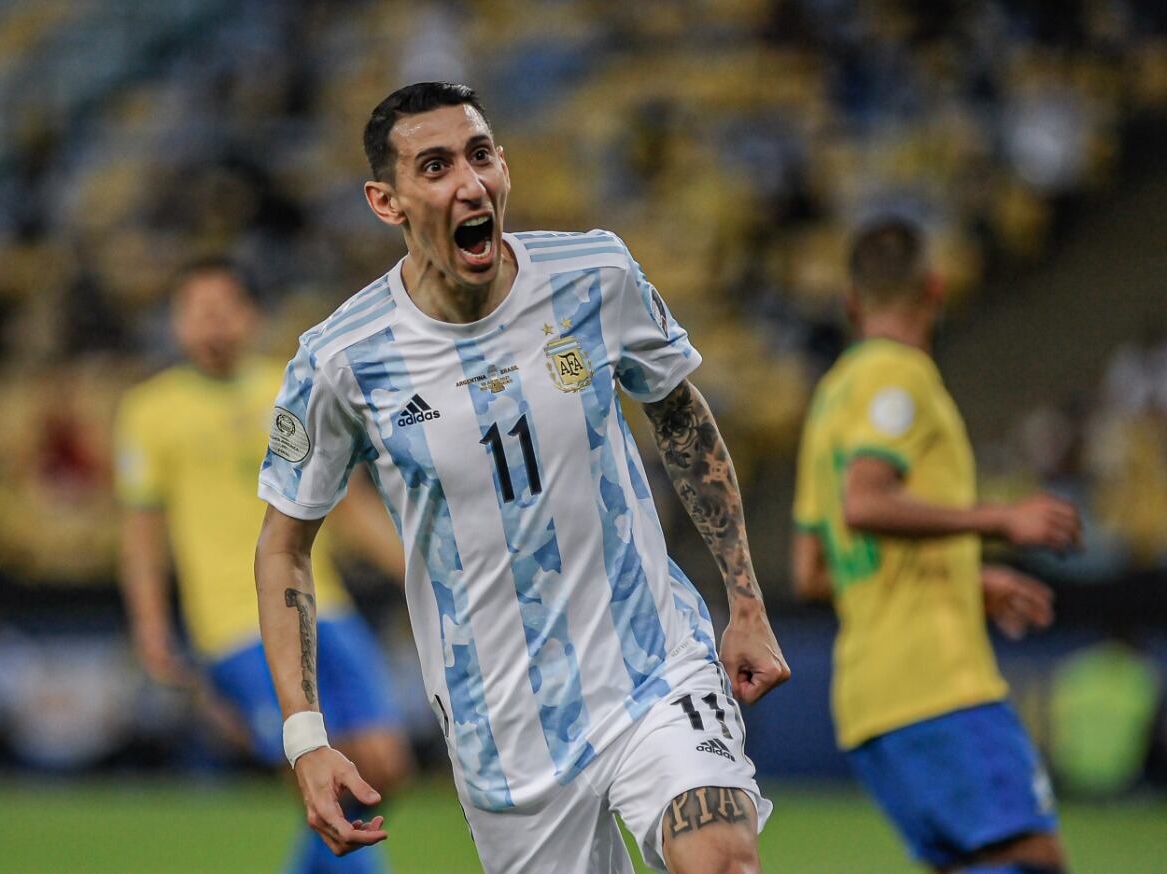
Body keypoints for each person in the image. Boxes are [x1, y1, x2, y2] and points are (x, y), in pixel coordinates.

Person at [254, 82, 790, 874]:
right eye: (435, 167)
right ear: (386, 201)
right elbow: (283, 549)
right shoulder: (341, 361)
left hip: (653, 665)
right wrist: (307, 738)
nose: (469, 183)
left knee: (722, 857)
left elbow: (681, 421)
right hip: (502, 729)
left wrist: (745, 600)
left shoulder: (594, 277)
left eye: (480, 155)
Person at [791, 218, 1083, 874]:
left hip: (867, 702)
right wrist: (999, 520)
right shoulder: (901, 379)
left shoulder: (829, 402)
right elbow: (865, 501)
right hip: (935, 682)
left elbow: (812, 572)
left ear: (851, 301)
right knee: (1033, 856)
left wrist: (969, 580)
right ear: (935, 289)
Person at [115, 259, 412, 874]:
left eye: (224, 309)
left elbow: (349, 504)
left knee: (387, 764)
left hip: (321, 604)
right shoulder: (150, 411)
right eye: (196, 312)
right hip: (232, 625)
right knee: (330, 775)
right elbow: (141, 537)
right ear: (177, 324)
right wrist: (149, 629)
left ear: (251, 317)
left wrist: (418, 570)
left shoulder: (289, 389)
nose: (211, 324)